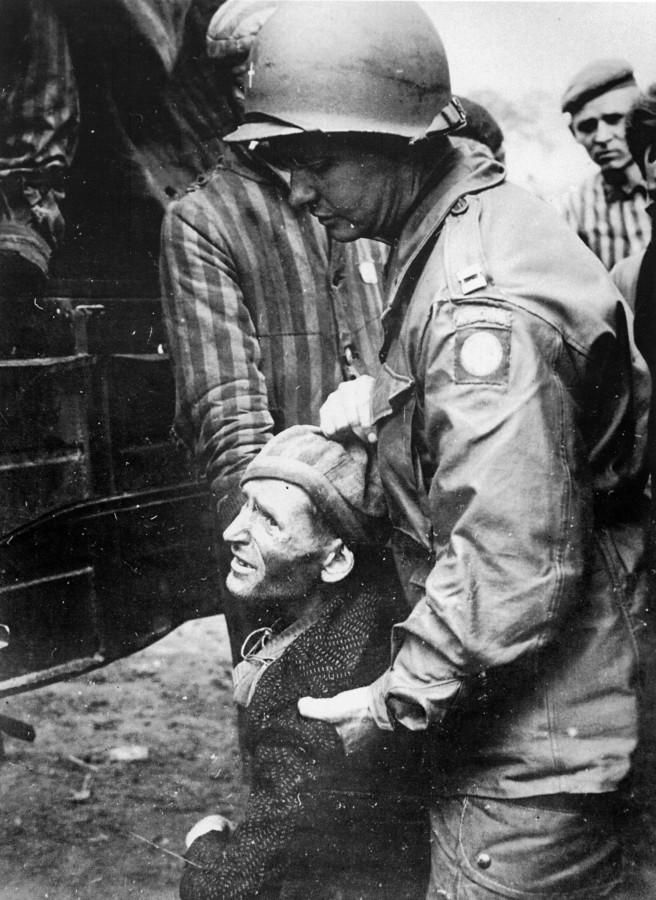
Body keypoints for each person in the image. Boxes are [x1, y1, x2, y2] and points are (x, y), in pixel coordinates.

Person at [223, 3, 650, 897]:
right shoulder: (455, 230)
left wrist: (389, 703)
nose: (297, 193)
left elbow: (509, 563)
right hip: (533, 715)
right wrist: (378, 405)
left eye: (314, 162)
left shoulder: (478, 308)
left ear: (398, 141)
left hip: (533, 755)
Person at [160, 0, 386, 664]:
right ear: (239, 85)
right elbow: (230, 420)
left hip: (391, 522)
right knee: (296, 741)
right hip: (301, 550)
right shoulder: (203, 220)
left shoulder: (367, 189)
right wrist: (286, 557)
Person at [180, 425, 428, 900]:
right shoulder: (368, 613)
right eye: (246, 505)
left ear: (334, 560)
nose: (233, 531)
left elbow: (233, 888)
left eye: (269, 521)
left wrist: (203, 843)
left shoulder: (313, 699)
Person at [558, 58, 651, 270]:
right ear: (574, 134)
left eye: (614, 119)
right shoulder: (576, 208)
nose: (601, 137)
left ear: (640, 117)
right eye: (587, 126)